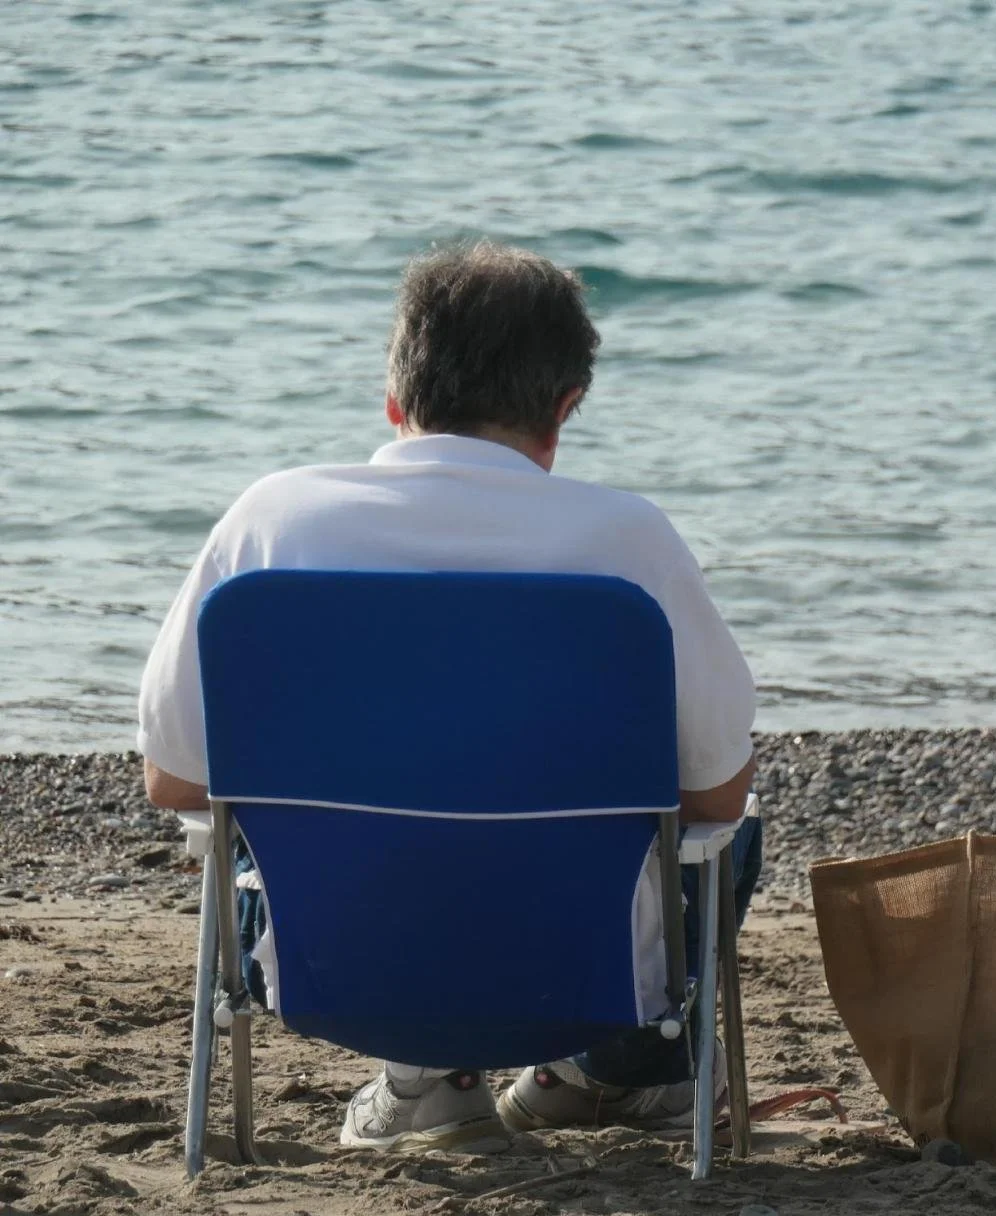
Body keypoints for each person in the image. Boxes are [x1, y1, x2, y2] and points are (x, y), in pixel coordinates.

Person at [137, 241, 760, 1154]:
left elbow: (176, 782)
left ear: (395, 404)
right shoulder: (627, 541)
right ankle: (598, 1074)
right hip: (584, 973)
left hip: (332, 966)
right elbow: (716, 799)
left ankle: (424, 1083)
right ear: (564, 407)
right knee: (726, 834)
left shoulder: (269, 523)